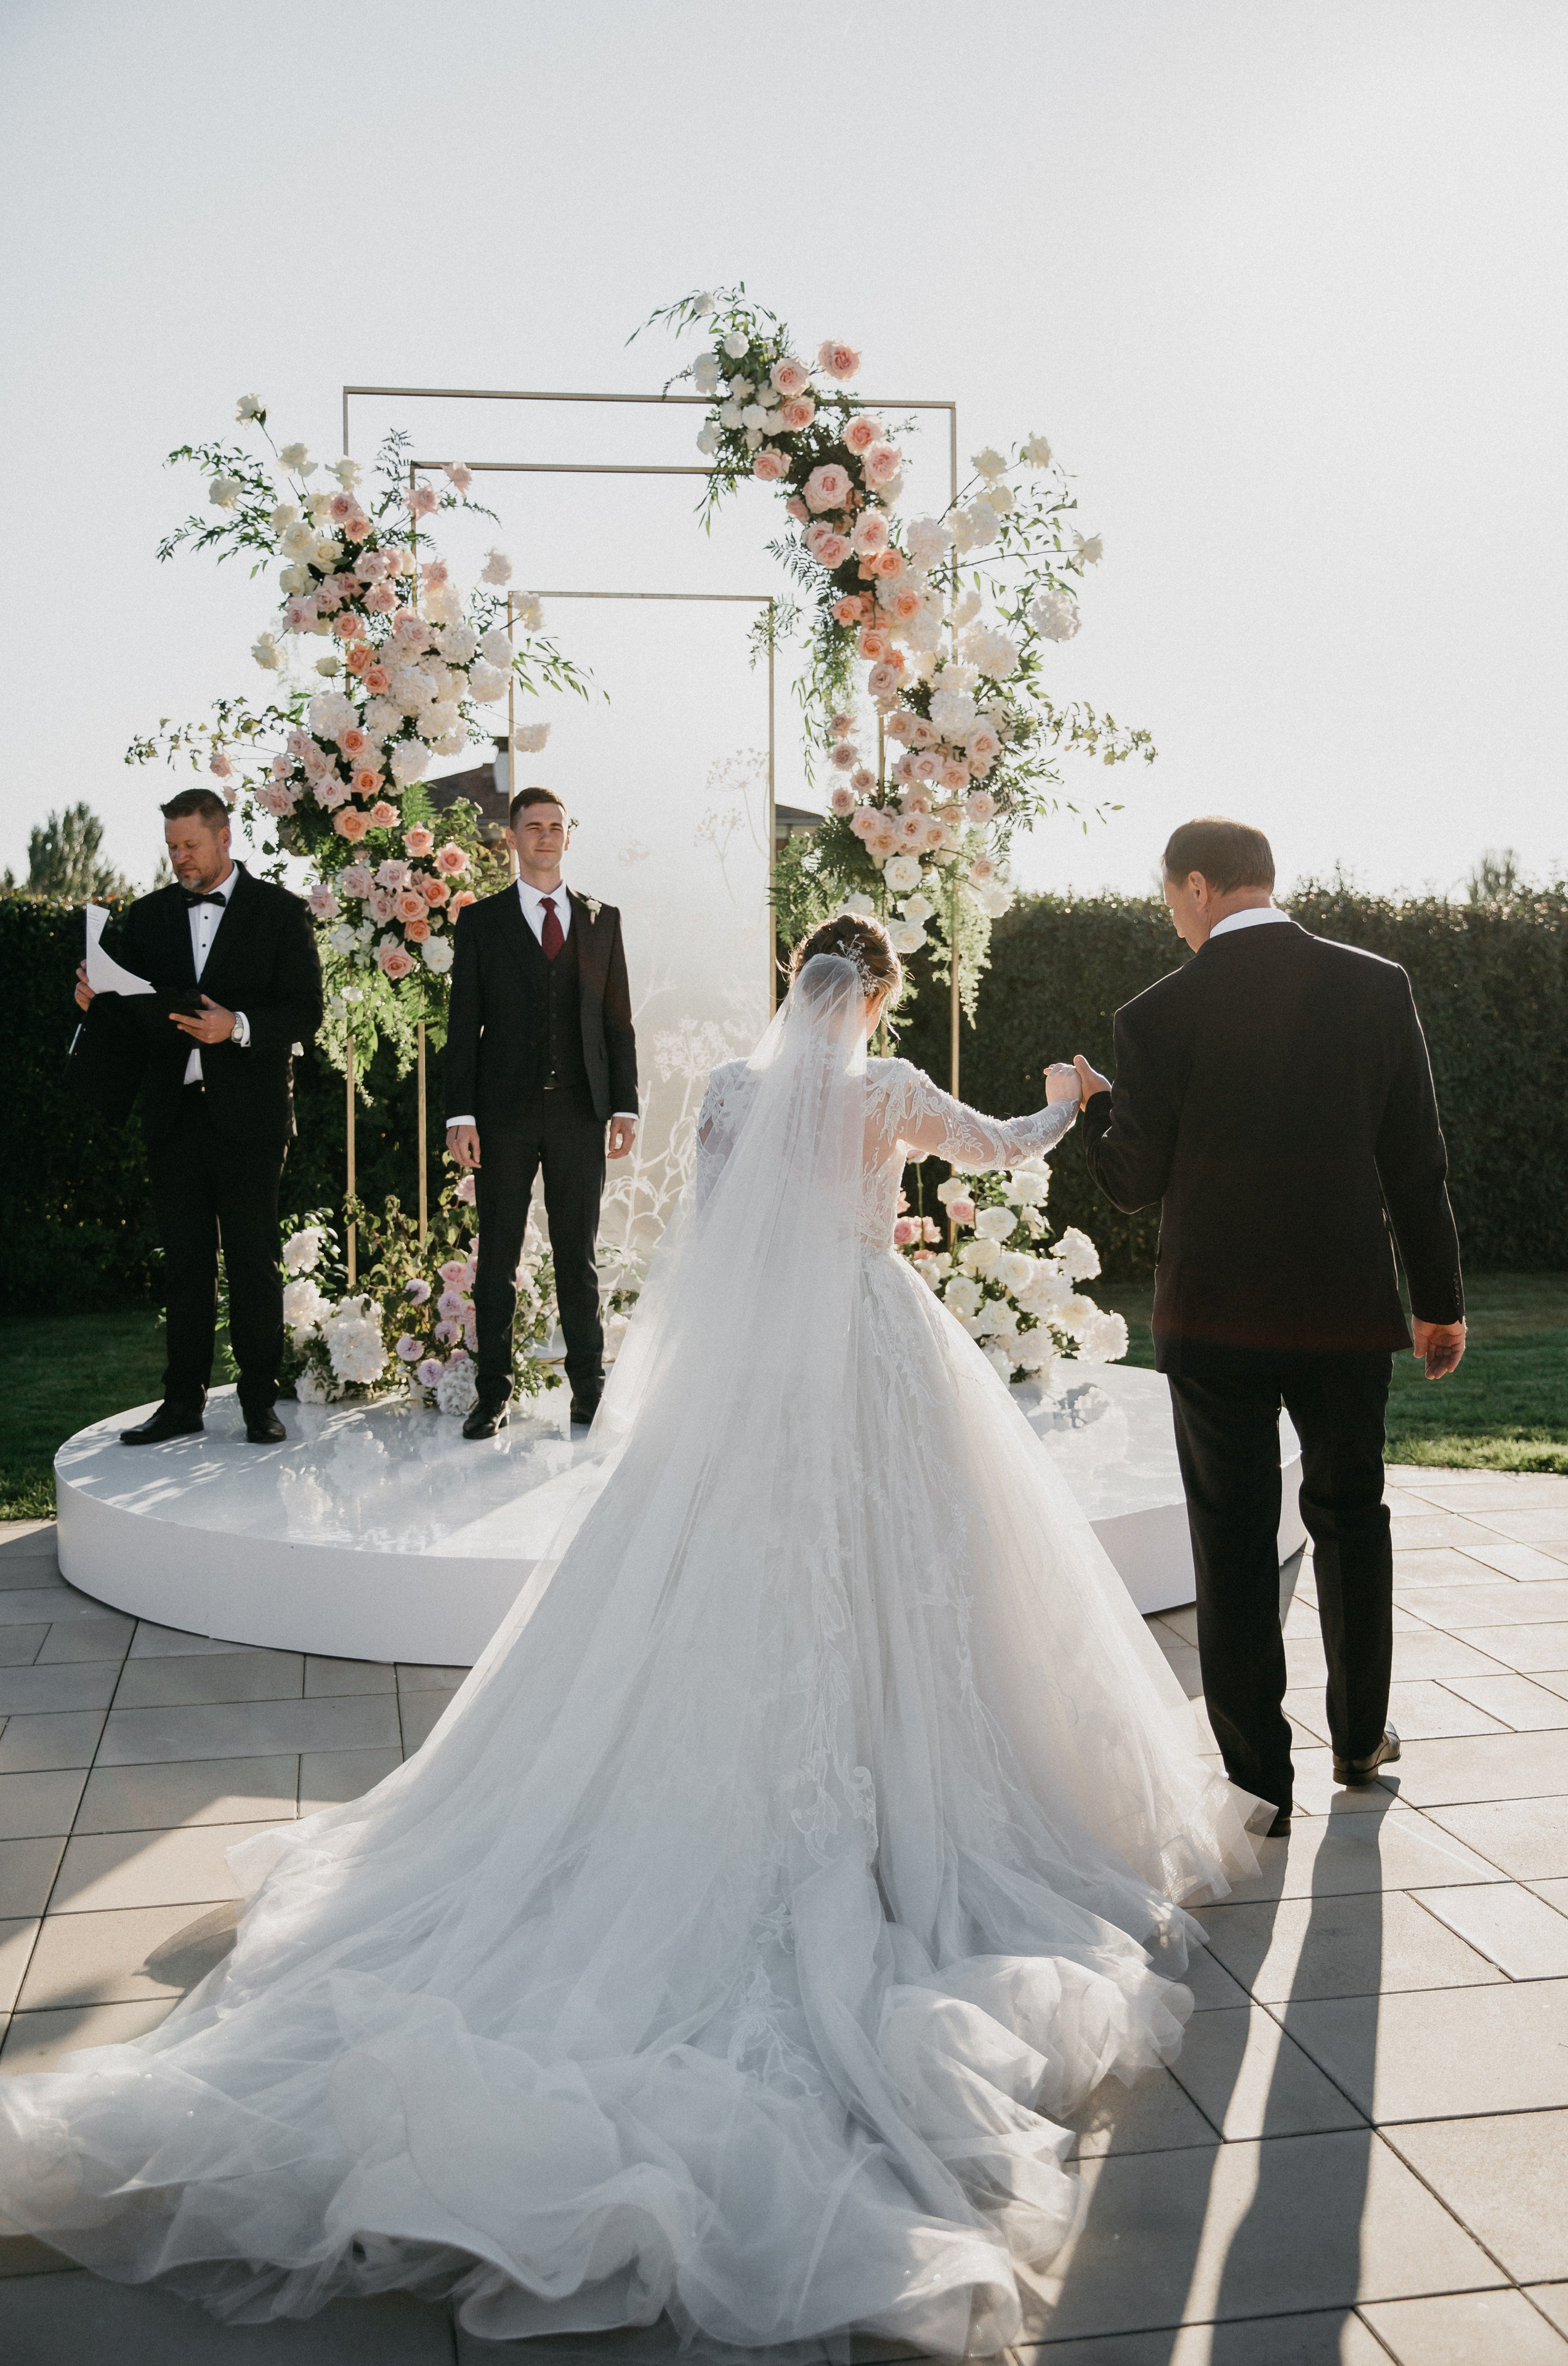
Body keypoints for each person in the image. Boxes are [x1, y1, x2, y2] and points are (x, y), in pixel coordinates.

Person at [0, 916, 1265, 2359]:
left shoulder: (730, 1093)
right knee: (912, 1576)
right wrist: (1068, 1091)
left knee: (715, 1582)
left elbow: (713, 1240)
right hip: (870, 1344)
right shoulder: (891, 1088)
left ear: (793, 988)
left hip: (750, 1387)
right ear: (875, 999)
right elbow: (1003, 1146)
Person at [1075, 816, 1465, 1836]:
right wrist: (1440, 1301)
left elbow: (1133, 1182)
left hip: (1214, 1320)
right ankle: (1361, 1737)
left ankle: (1259, 1782)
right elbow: (1416, 1165)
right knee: (1352, 1517)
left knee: (1236, 1544)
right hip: (1345, 1311)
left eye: (1170, 899)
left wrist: (1089, 1110)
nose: (1172, 918)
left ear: (1199, 886)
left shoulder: (1155, 1016)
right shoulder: (1377, 987)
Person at [71, 788, 323, 1446]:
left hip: (252, 1118)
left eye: (191, 845)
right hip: (174, 1116)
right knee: (184, 1265)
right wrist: (95, 997)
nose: (181, 858)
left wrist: (234, 1026)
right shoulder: (149, 917)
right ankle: (180, 1403)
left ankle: (258, 1405)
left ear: (224, 838)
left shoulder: (280, 913)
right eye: (172, 848)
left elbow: (305, 1012)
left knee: (253, 1262)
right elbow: (130, 1012)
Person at [443, 785, 638, 1438]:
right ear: (512, 838)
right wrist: (458, 1115)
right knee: (496, 1256)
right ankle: (491, 1394)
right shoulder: (481, 922)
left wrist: (625, 1106)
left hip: (581, 1111)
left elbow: (618, 1023)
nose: (546, 836)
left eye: (556, 826)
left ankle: (589, 1390)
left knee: (575, 1255)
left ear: (567, 835)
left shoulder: (600, 918)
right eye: (533, 826)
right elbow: (462, 1024)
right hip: (502, 1116)